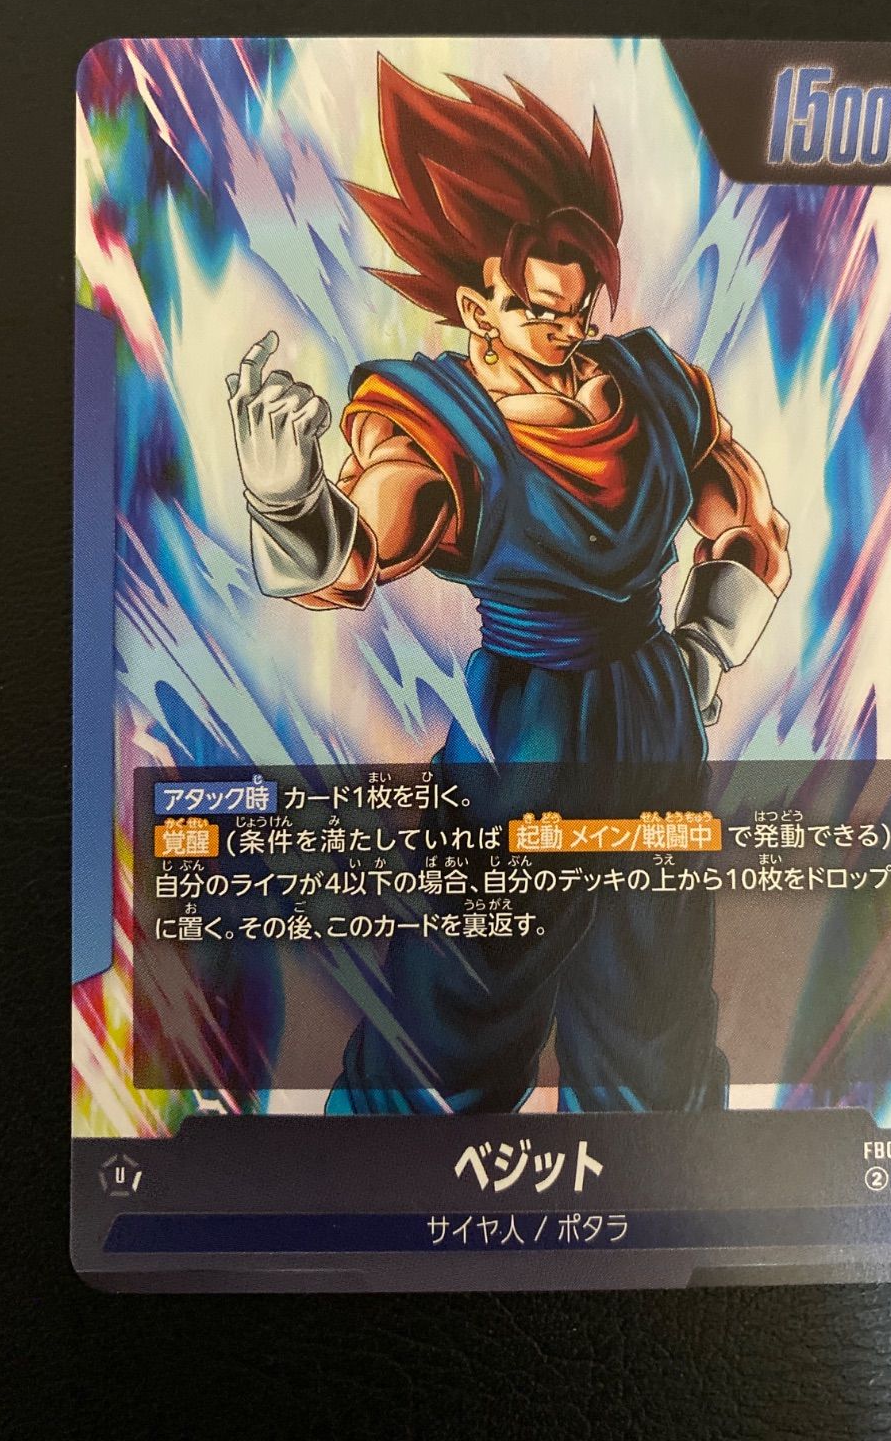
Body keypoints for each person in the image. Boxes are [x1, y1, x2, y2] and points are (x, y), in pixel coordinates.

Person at [226, 57, 790, 1112]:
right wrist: (286, 498)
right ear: (478, 301)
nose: (570, 334)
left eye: (581, 309)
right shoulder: (440, 423)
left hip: (654, 721)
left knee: (655, 1030)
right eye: (542, 312)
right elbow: (357, 556)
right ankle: (379, 1191)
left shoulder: (654, 384)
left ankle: (655, 1186)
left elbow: (749, 525)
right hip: (520, 734)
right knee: (452, 1025)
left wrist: (703, 655)